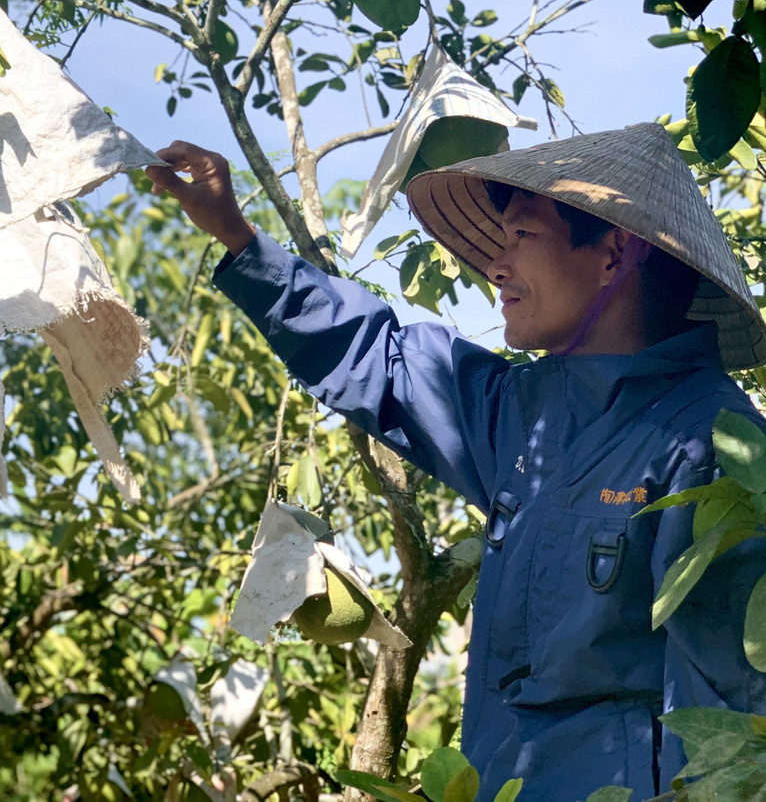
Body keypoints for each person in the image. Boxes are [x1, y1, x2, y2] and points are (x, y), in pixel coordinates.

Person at [147, 123, 766, 801]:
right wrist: (239, 237)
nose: (496, 267)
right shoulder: (524, 415)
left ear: (614, 251)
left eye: (523, 236)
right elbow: (379, 358)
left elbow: (727, 725)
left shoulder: (710, 445)